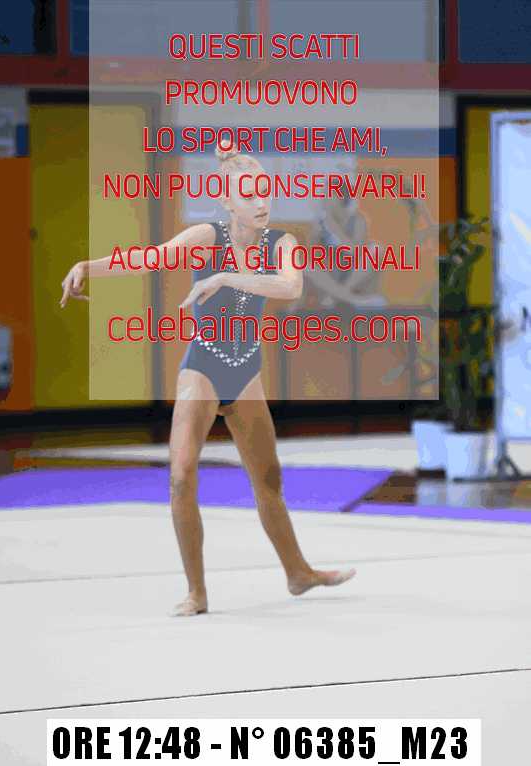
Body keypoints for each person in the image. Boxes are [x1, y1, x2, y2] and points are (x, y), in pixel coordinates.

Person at [60, 142, 356, 616]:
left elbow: (290, 285)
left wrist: (226, 279)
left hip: (246, 372)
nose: (261, 202)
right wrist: (86, 267)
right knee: (181, 477)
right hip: (204, 366)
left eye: (265, 191)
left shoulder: (282, 243)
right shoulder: (206, 236)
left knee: (269, 481)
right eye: (248, 194)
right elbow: (151, 258)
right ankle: (196, 592)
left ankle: (298, 573)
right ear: (227, 200)